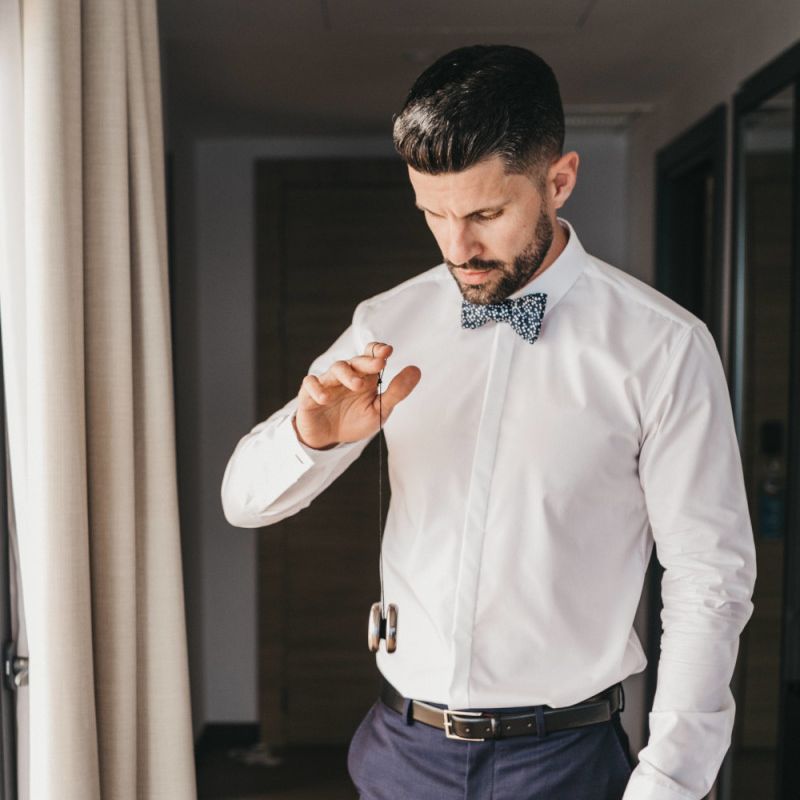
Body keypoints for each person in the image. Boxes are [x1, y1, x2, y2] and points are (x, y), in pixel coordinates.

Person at [221, 44, 757, 800]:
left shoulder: (663, 347)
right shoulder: (388, 320)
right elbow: (244, 501)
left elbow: (710, 581)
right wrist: (311, 438)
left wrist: (669, 783)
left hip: (566, 762)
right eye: (433, 215)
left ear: (559, 180)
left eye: (484, 214)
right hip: (400, 752)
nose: (457, 249)